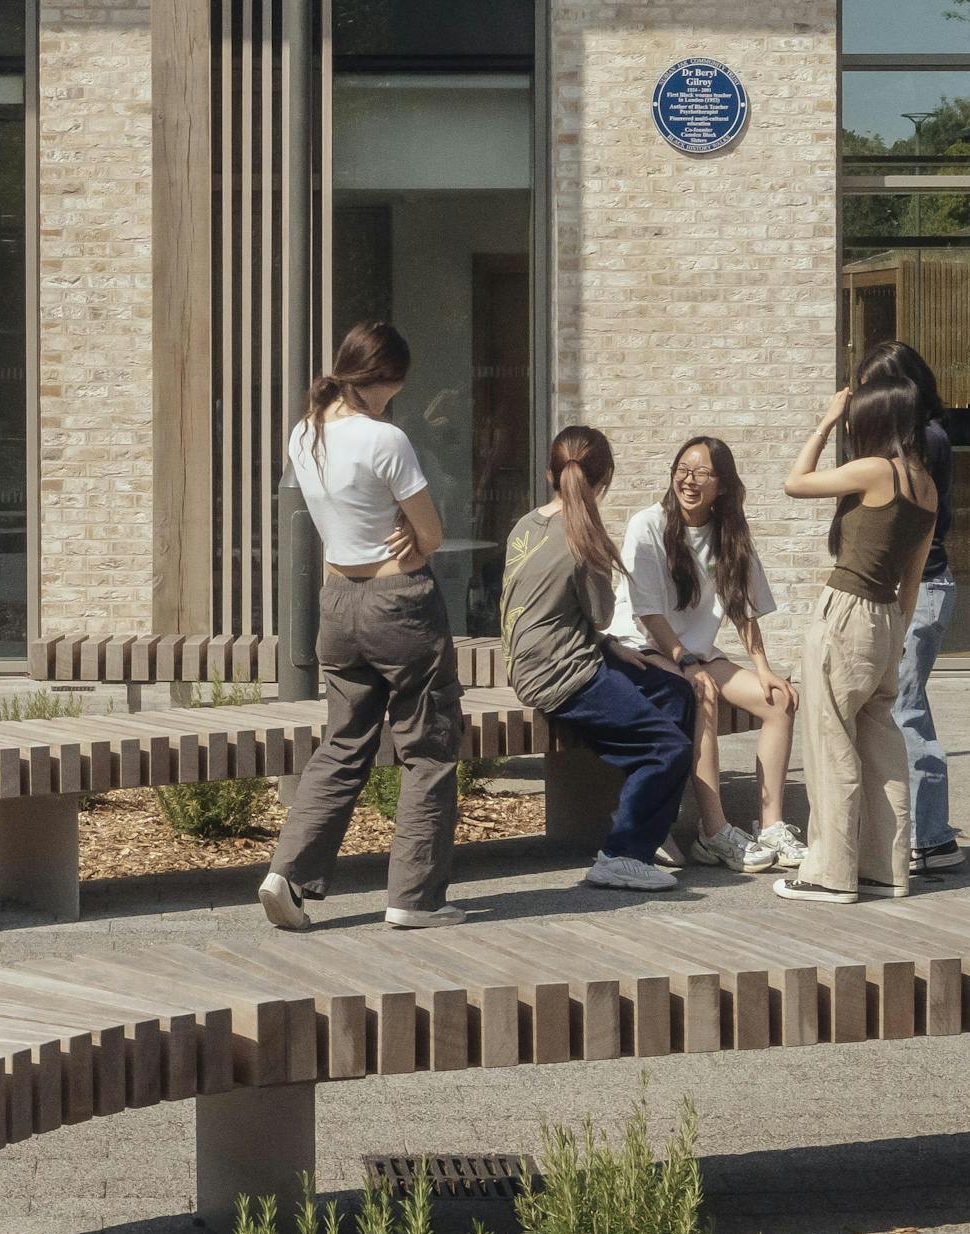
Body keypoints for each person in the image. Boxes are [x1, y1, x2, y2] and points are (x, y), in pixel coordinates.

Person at [259, 322, 463, 933]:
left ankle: (286, 874)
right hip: (398, 600)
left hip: (338, 601)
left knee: (342, 744)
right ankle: (414, 898)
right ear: (386, 378)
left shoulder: (304, 433)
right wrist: (410, 528)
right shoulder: (386, 438)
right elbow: (430, 536)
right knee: (427, 748)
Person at [501, 425, 697, 893]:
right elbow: (604, 613)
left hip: (539, 661)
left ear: (551, 472)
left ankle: (646, 821)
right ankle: (622, 854)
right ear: (604, 477)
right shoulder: (585, 540)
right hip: (564, 675)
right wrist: (605, 640)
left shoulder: (525, 524)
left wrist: (611, 649)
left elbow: (549, 612)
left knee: (675, 691)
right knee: (667, 748)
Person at [775, 379, 940, 904]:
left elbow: (794, 482)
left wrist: (823, 422)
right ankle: (885, 870)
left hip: (846, 611)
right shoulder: (926, 484)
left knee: (830, 744)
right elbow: (913, 577)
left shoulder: (875, 471)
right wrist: (896, 631)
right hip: (890, 616)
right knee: (880, 747)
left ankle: (831, 873)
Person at [616, 434, 801, 872]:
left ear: (723, 484)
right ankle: (713, 831)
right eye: (682, 469)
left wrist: (765, 669)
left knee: (780, 701)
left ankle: (772, 825)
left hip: (696, 652)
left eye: (701, 473)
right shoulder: (647, 525)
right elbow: (647, 613)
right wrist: (684, 661)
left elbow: (743, 608)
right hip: (644, 646)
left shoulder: (729, 534)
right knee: (702, 692)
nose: (689, 480)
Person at [852, 337, 964, 871]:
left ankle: (934, 838)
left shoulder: (927, 440)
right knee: (904, 706)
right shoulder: (917, 440)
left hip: (921, 588)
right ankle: (922, 834)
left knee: (907, 710)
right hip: (919, 587)